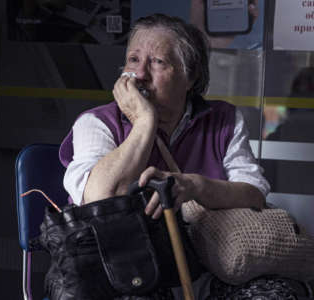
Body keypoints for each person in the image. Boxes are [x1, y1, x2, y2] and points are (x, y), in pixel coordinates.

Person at [59, 13, 299, 300]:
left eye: (157, 62)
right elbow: (101, 197)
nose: (140, 74)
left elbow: (253, 195)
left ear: (191, 76)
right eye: (133, 60)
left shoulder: (223, 120)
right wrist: (145, 121)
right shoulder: (96, 123)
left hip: (207, 265)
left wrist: (195, 187)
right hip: (121, 268)